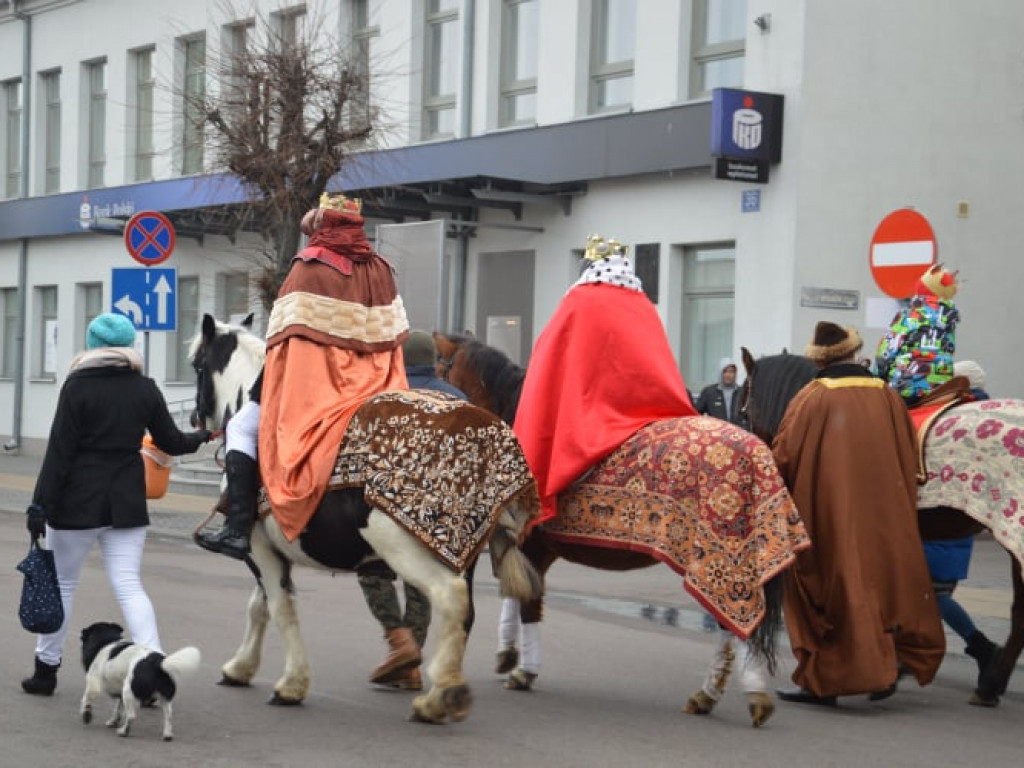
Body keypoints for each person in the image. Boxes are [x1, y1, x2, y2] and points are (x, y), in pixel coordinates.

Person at [195, 192, 410, 560]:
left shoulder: (308, 267)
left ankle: (236, 529)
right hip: (377, 385)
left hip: (320, 387)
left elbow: (284, 344)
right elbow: (394, 339)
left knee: (242, 426)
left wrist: (267, 391)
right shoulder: (381, 269)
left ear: (321, 229)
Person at [21, 313, 211, 695]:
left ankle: (46, 672)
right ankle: (155, 670)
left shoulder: (77, 388)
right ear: (129, 348)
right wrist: (203, 436)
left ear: (92, 345)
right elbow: (171, 442)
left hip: (74, 504)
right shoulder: (144, 388)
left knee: (62, 585)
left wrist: (39, 506)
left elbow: (59, 453)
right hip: (125, 503)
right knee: (128, 585)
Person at [773, 320, 945, 705]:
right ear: (853, 352)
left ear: (819, 360)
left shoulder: (811, 397)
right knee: (881, 587)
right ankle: (884, 669)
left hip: (830, 514)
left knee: (834, 592)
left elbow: (784, 456)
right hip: (885, 514)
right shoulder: (887, 395)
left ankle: (827, 680)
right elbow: (909, 454)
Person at [513, 234, 696, 524]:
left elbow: (548, 359)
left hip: (597, 415)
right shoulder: (643, 304)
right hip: (656, 410)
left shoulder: (580, 300)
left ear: (588, 266)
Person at [356, 330, 468, 690]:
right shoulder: (458, 398)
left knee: (372, 571)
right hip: (440, 509)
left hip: (391, 505)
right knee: (419, 582)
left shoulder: (385, 397)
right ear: (436, 361)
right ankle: (411, 664)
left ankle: (399, 641)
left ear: (399, 361)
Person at [922, 360, 1001, 682]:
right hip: (961, 517)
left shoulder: (959, 418)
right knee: (932, 594)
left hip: (943, 514)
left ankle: (981, 646)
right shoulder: (986, 415)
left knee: (932, 593)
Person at [875, 263, 960, 406]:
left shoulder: (908, 315)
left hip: (906, 387)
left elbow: (887, 352)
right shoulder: (949, 322)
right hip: (940, 387)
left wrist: (877, 376)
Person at [694, 358, 748, 428]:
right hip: (716, 434)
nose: (728, 375)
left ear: (735, 374)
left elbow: (750, 416)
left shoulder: (743, 393)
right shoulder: (709, 392)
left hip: (738, 434)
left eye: (731, 372)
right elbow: (696, 414)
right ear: (720, 373)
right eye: (725, 371)